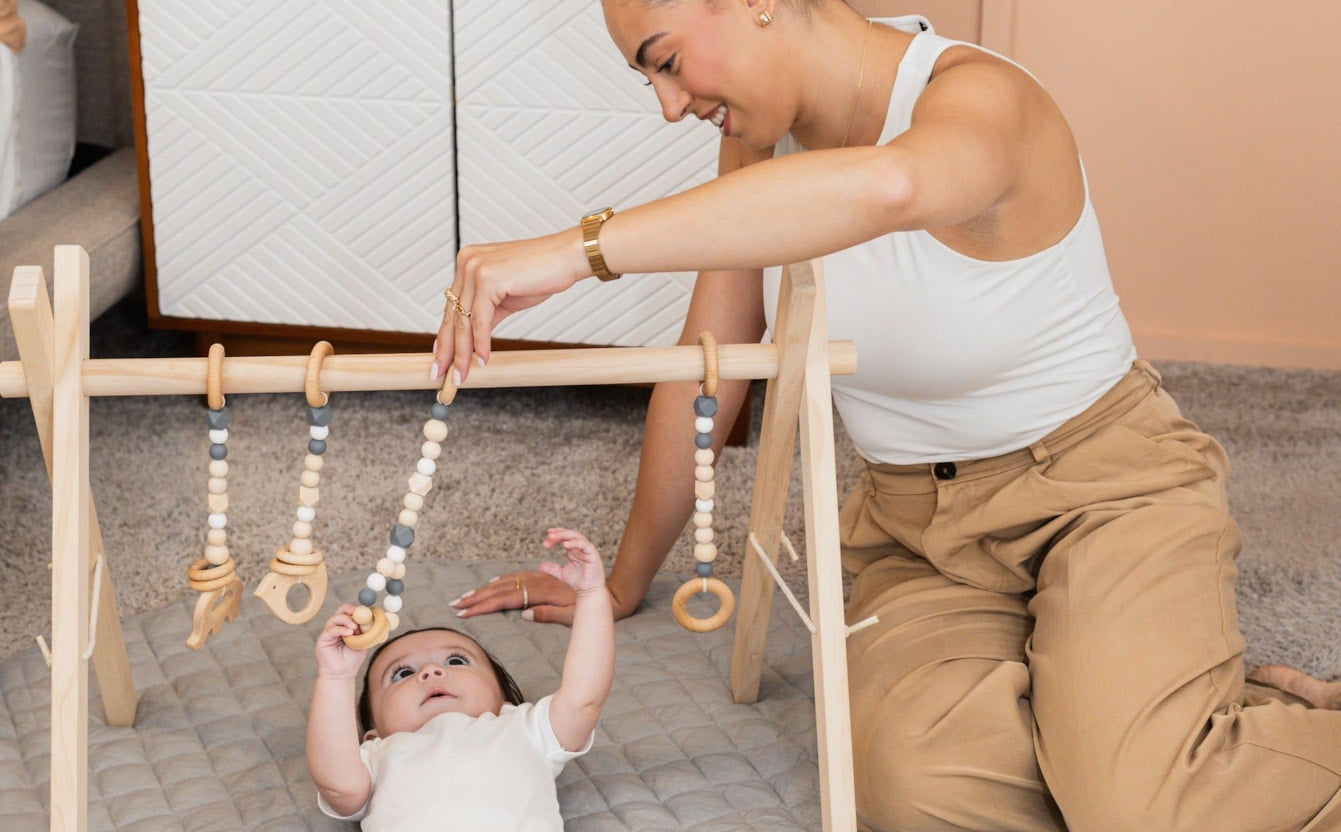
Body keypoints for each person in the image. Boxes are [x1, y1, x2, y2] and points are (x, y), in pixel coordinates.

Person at [433, 2, 1341, 830]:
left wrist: (576, 251)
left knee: (1137, 807)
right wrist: (626, 580)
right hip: (919, 531)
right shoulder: (757, 146)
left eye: (665, 61)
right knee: (914, 790)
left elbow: (889, 188)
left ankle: (1188, 751)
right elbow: (708, 373)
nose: (669, 106)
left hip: (1105, 489)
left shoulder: (981, 98)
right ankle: (1138, 736)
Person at [306, 528, 613, 831]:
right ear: (372, 735)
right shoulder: (378, 755)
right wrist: (336, 676)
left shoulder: (524, 728)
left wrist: (591, 595)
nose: (431, 672)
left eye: (456, 660)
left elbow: (584, 698)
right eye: (402, 674)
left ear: (504, 701)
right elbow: (337, 786)